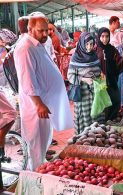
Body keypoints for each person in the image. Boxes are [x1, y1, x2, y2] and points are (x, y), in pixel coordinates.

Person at [13, 16, 73, 170]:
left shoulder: (37, 44)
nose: (45, 34)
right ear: (30, 29)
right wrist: (39, 104)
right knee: (35, 140)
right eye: (41, 31)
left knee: (44, 137)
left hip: (43, 101)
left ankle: (41, 166)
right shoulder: (25, 48)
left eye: (47, 30)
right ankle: (35, 172)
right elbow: (27, 80)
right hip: (35, 105)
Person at [68, 32, 103, 134]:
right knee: (84, 115)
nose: (89, 47)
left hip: (95, 91)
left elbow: (98, 70)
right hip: (82, 93)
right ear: (82, 44)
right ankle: (83, 136)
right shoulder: (75, 57)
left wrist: (100, 76)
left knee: (95, 113)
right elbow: (70, 76)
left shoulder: (94, 55)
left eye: (91, 44)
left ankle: (95, 135)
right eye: (87, 44)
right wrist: (84, 79)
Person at [96, 27, 123, 121]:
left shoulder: (112, 49)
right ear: (99, 37)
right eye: (102, 36)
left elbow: (119, 61)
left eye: (107, 36)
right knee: (103, 102)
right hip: (100, 81)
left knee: (115, 99)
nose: (105, 39)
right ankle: (103, 121)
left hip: (112, 80)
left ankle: (112, 119)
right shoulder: (95, 49)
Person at [0, 90, 17, 161]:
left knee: (0, 136)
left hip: (8, 116)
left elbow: (10, 113)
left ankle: (1, 155)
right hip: (5, 115)